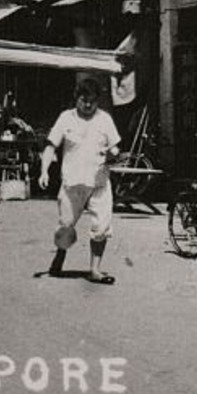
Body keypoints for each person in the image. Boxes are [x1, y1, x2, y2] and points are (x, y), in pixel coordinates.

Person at [40, 76, 124, 284]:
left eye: (93, 101)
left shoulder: (105, 119)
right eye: (84, 100)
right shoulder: (66, 118)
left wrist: (113, 153)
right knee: (66, 225)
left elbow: (115, 147)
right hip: (72, 182)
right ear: (76, 98)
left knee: (101, 227)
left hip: (99, 182)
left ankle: (95, 269)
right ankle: (60, 254)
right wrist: (44, 171)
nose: (88, 105)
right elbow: (51, 146)